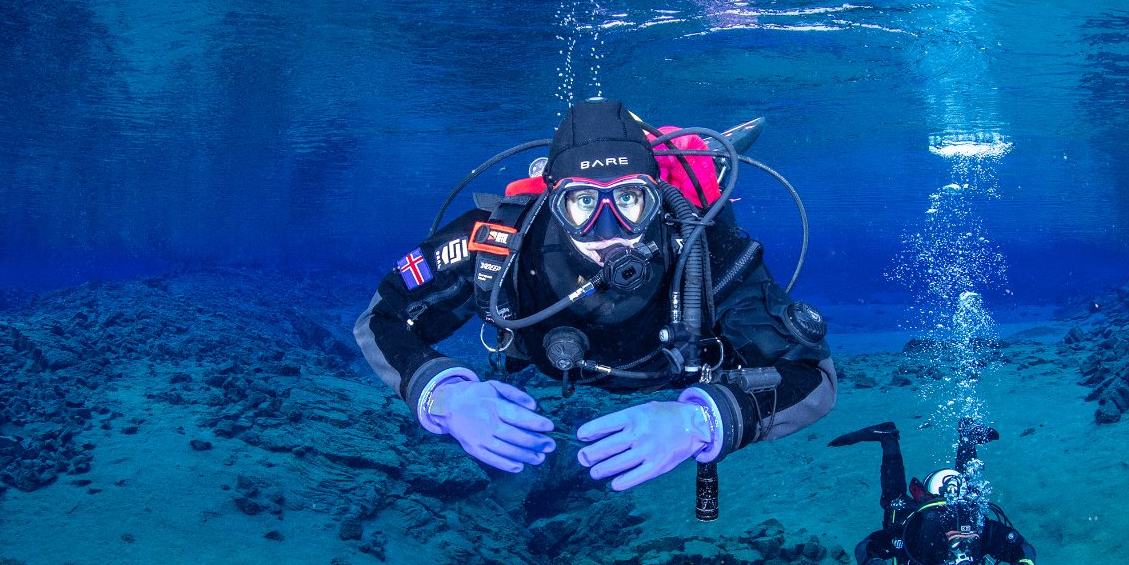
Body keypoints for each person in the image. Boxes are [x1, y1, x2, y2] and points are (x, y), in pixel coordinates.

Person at [354, 100, 836, 492]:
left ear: (657, 195)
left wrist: (703, 422)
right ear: (552, 198)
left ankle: (696, 162)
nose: (609, 233)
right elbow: (383, 318)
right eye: (584, 202)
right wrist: (444, 396)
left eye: (629, 198)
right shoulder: (500, 240)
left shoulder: (705, 251)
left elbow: (813, 375)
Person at [830, 418, 1036, 565]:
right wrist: (870, 561)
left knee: (969, 489)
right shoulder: (913, 531)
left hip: (948, 504)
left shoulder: (978, 525)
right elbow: (868, 544)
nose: (959, 536)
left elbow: (1021, 548)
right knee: (894, 500)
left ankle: (967, 436)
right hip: (919, 519)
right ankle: (888, 438)